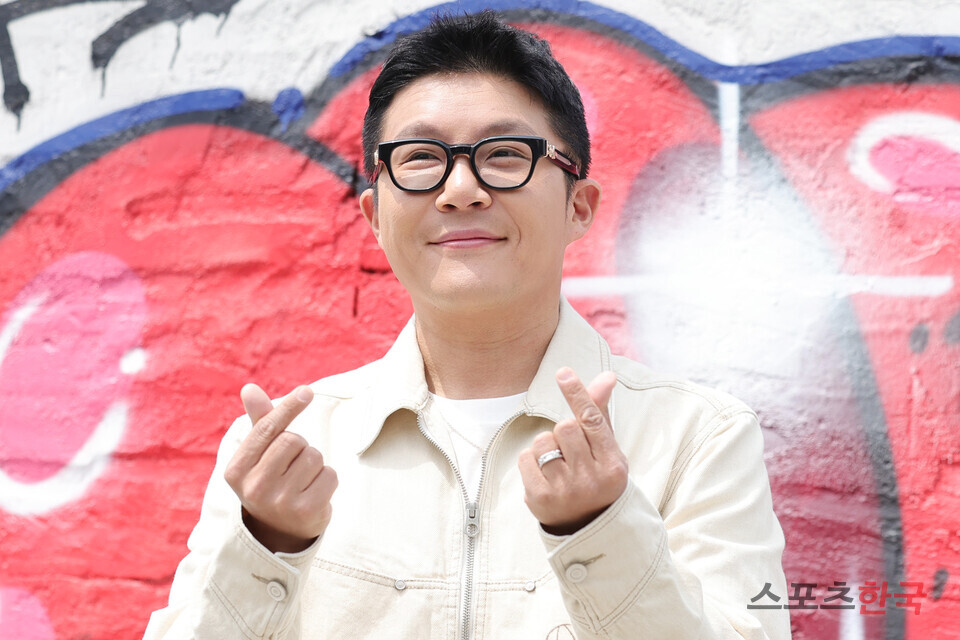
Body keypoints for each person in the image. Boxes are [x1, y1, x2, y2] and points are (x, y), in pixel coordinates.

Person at [144, 11, 790, 640]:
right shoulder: (286, 452)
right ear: (375, 216)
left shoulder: (696, 437)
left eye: (505, 154)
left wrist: (601, 531)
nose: (460, 189)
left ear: (579, 206)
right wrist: (269, 544)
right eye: (420, 158)